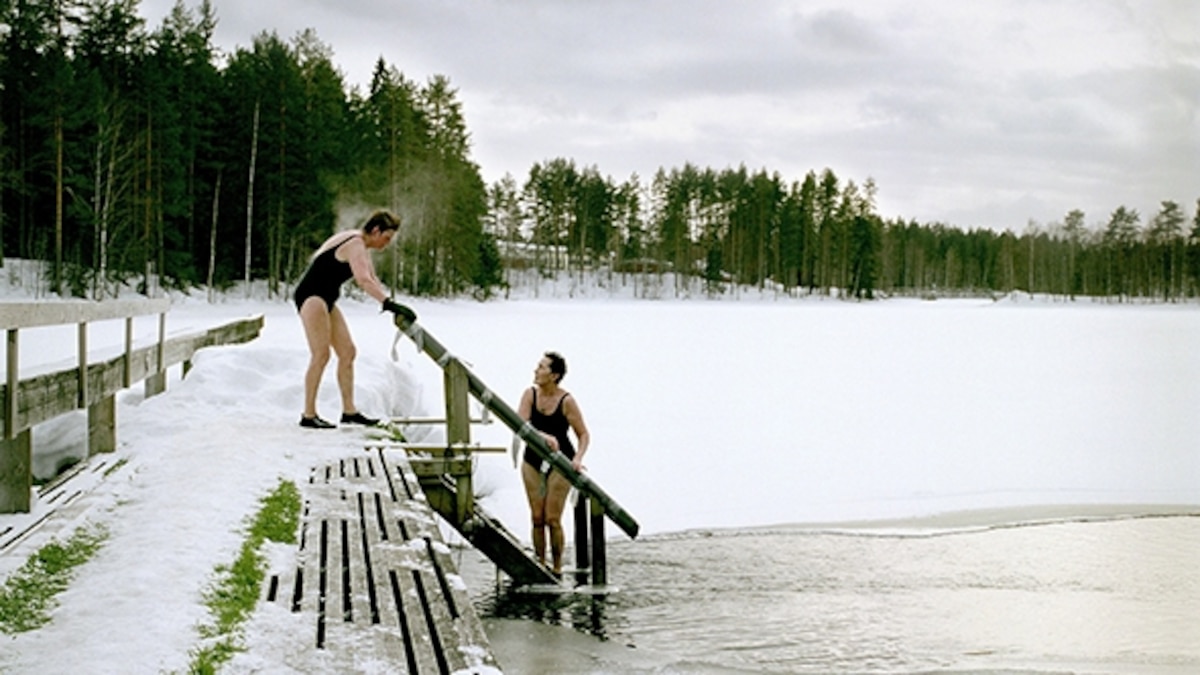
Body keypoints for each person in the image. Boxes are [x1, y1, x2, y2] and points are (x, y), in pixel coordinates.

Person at [293, 210, 415, 429]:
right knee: (321, 354)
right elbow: (362, 280)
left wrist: (392, 303)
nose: (386, 245)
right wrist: (387, 304)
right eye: (386, 238)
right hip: (311, 296)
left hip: (326, 298)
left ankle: (349, 411)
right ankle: (308, 415)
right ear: (375, 230)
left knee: (348, 352)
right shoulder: (355, 243)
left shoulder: (359, 244)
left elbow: (372, 277)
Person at [517, 351, 590, 576]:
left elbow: (584, 434)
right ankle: (540, 563)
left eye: (541, 367)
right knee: (537, 517)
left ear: (554, 375)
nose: (536, 371)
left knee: (552, 518)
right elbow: (520, 425)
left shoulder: (566, 400)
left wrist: (577, 458)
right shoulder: (530, 394)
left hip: (561, 460)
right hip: (533, 457)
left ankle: (557, 567)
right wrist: (542, 436)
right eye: (537, 366)